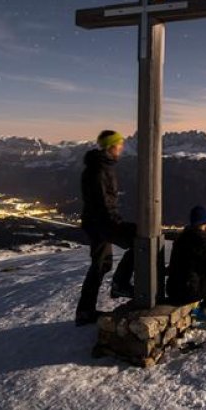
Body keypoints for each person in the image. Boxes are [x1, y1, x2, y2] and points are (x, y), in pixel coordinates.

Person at [75, 130, 136, 326]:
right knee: (140, 239)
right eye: (119, 144)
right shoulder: (100, 169)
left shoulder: (99, 165)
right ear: (112, 146)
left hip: (97, 222)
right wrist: (116, 223)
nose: (122, 148)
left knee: (101, 264)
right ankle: (120, 284)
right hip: (101, 222)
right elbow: (103, 201)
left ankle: (85, 311)